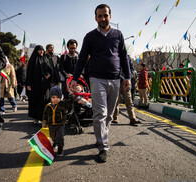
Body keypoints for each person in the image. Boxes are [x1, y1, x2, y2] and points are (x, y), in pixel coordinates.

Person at [70, 4, 131, 162]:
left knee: (109, 115)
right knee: (100, 113)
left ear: (110, 16)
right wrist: (75, 78)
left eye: (105, 15)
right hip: (97, 79)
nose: (103, 19)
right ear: (95, 18)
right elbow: (82, 58)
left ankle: (101, 137)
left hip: (116, 79)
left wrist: (128, 77)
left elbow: (124, 57)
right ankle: (103, 146)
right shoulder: (90, 37)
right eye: (99, 16)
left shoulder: (118, 34)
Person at [42, 86, 74, 156]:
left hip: (60, 124)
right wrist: (44, 122)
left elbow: (70, 102)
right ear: (51, 98)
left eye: (58, 97)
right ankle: (55, 142)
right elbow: (45, 114)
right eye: (53, 97)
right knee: (53, 136)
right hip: (51, 125)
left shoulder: (62, 104)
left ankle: (60, 148)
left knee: (60, 137)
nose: (55, 99)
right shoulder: (48, 106)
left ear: (60, 97)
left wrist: (71, 94)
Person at [112, 56, 141, 125]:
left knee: (129, 101)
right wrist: (122, 78)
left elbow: (131, 68)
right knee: (115, 101)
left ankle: (132, 118)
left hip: (126, 83)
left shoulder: (128, 57)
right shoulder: (114, 55)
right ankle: (115, 117)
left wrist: (128, 77)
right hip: (116, 81)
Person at [26, 45, 48, 123]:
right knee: (35, 101)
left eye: (42, 50)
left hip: (44, 85)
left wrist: (49, 74)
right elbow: (29, 73)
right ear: (36, 51)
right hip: (35, 84)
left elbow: (49, 69)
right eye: (40, 50)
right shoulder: (33, 60)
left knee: (43, 101)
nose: (41, 51)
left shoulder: (45, 59)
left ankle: (42, 117)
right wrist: (28, 84)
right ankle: (35, 117)